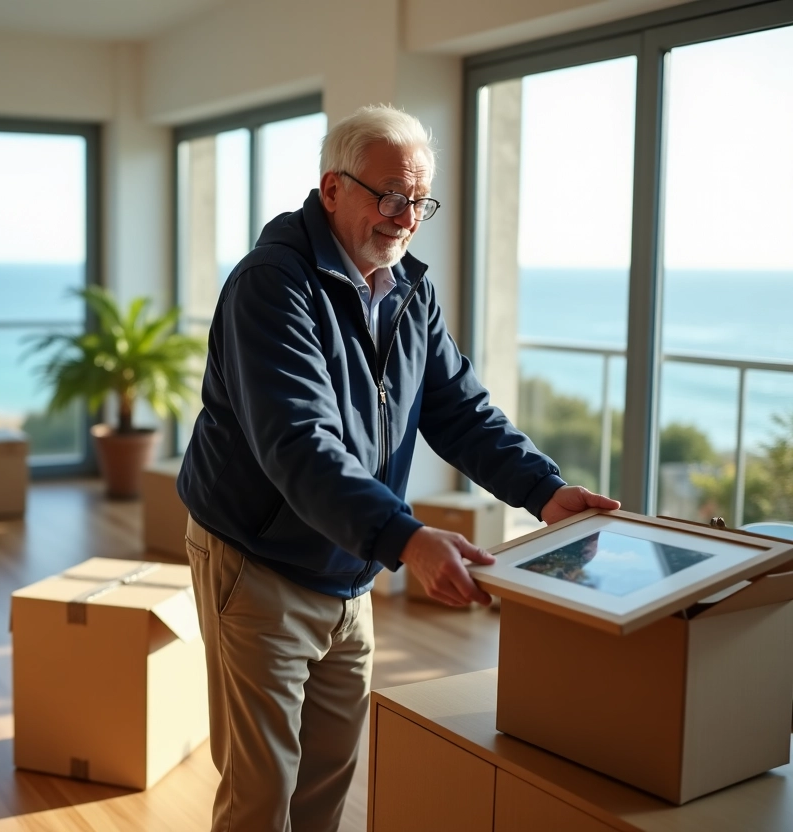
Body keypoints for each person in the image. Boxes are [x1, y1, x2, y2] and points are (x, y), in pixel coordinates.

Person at [176, 103, 620, 832]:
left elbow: (460, 411)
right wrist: (407, 539)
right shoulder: (272, 285)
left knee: (325, 785)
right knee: (260, 799)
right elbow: (298, 440)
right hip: (257, 563)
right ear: (331, 189)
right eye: (388, 194)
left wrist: (546, 491)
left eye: (418, 200)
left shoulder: (410, 289)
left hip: (350, 567)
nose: (404, 215)